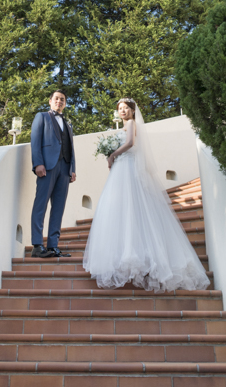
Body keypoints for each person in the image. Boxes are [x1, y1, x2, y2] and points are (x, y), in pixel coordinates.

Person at [83, 98, 210, 291]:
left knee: (132, 207)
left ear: (133, 111)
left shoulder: (131, 124)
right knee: (124, 209)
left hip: (128, 167)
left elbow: (130, 143)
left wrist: (113, 154)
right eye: (120, 109)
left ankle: (138, 257)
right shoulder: (124, 125)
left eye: (126, 108)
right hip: (121, 168)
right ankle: (126, 256)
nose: (123, 111)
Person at [30, 89, 77, 258]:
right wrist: (38, 163)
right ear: (50, 101)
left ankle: (53, 245)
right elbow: (35, 141)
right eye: (56, 98)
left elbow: (71, 147)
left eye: (62, 99)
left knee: (58, 207)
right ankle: (37, 245)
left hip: (64, 168)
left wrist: (72, 169)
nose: (59, 101)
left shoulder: (68, 124)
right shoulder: (41, 117)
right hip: (47, 167)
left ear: (65, 103)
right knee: (40, 205)